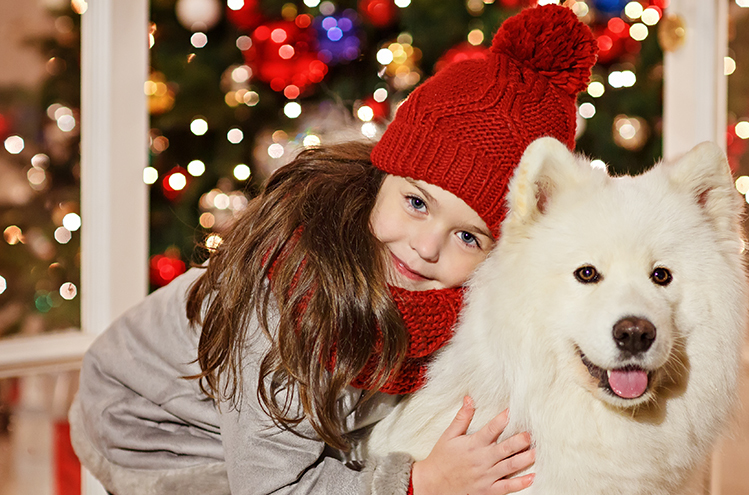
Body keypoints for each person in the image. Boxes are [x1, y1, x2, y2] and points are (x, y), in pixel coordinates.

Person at [69, 4, 597, 495]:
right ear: (382, 174)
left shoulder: (454, 292)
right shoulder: (290, 303)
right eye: (416, 202)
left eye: (468, 236)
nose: (425, 246)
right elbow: (272, 485)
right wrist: (417, 482)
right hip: (151, 425)